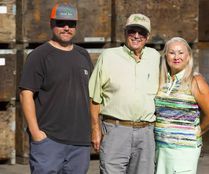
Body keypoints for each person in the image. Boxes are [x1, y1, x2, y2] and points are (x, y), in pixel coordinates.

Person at [19, 3, 93, 174]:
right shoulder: (39, 56)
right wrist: (36, 133)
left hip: (80, 143)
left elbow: (90, 95)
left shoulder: (83, 55)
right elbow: (26, 94)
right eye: (61, 23)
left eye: (71, 24)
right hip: (49, 141)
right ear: (52, 24)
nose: (66, 28)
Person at [89, 13, 161, 174]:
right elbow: (94, 97)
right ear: (125, 33)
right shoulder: (108, 56)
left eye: (141, 32)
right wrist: (95, 129)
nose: (136, 36)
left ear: (147, 37)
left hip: (146, 132)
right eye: (132, 31)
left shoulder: (155, 57)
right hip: (115, 130)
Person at [154, 37, 209, 174]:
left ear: (188, 56)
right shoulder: (162, 81)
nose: (176, 57)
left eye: (181, 52)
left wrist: (197, 131)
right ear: (166, 56)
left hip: (183, 150)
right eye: (172, 52)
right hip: (161, 148)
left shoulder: (195, 81)